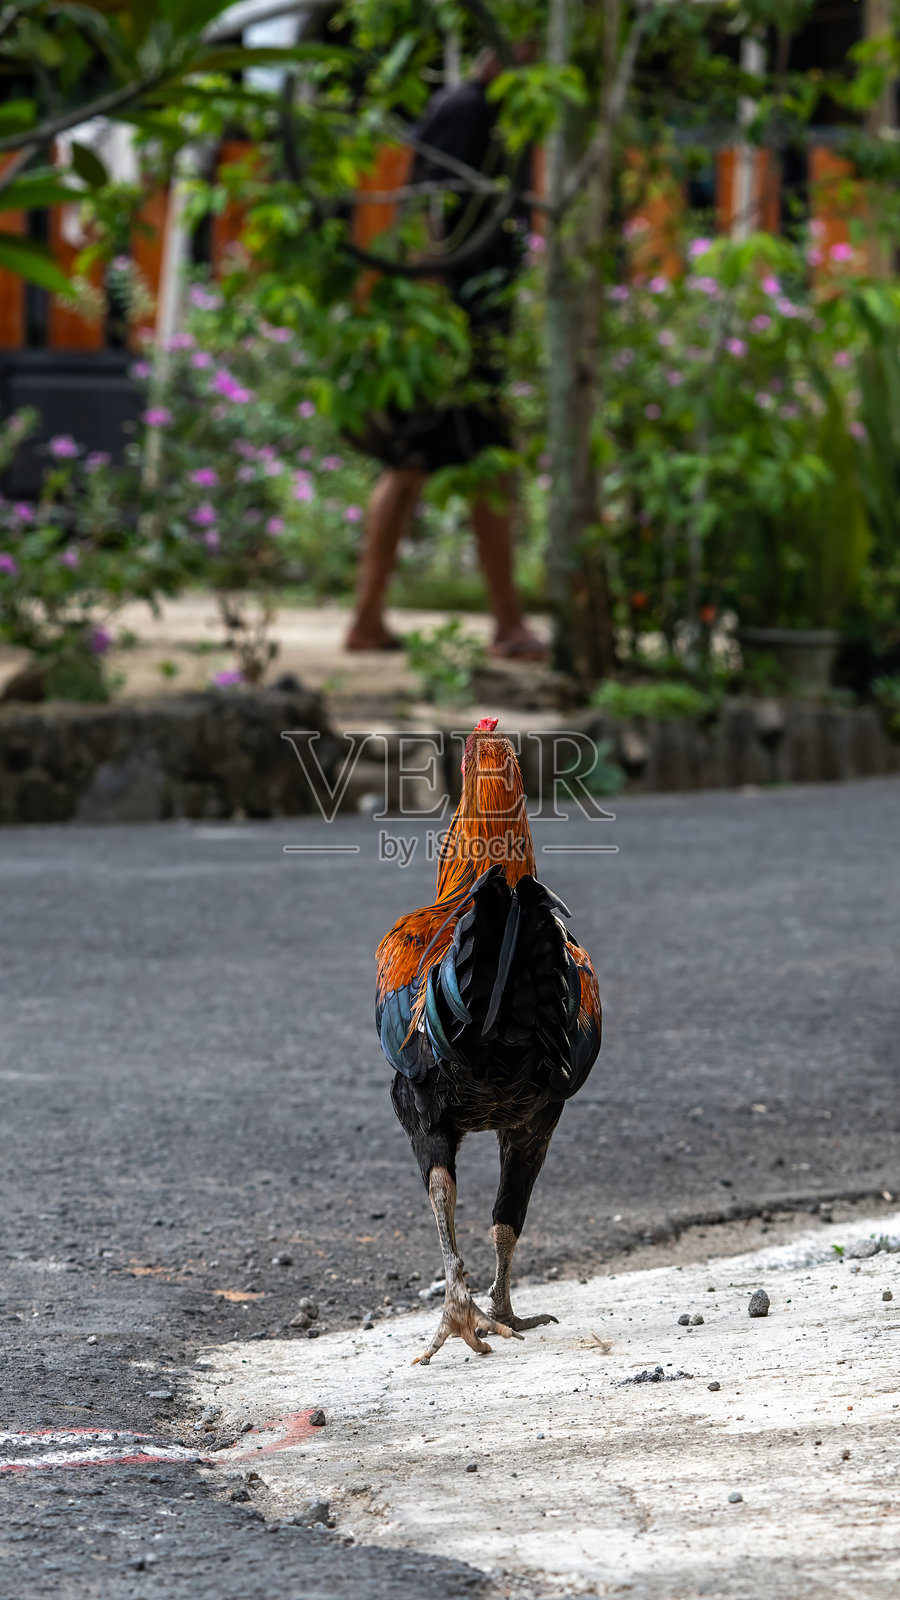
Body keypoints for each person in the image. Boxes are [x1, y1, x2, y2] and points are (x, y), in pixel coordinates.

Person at [345, 47, 546, 659]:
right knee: (461, 465)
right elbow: (424, 207)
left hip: (473, 315)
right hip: (452, 319)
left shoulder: (513, 113)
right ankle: (504, 624)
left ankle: (372, 619)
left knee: (432, 464)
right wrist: (432, 314)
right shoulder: (465, 108)